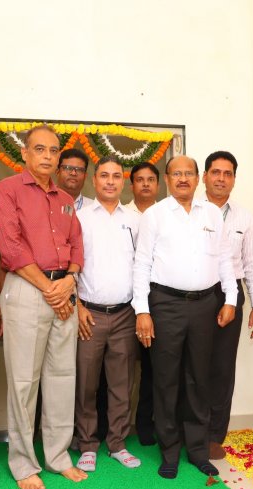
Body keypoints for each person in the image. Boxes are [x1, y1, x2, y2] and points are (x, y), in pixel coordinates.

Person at [0, 124, 87, 489]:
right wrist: (51, 289)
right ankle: (23, 463)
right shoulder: (8, 190)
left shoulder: (65, 198)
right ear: (25, 154)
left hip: (64, 289)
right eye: (40, 149)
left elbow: (77, 244)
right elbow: (10, 248)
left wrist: (70, 280)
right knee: (23, 381)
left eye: (53, 150)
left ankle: (58, 457)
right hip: (29, 289)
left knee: (63, 378)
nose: (48, 156)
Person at [132, 155, 237, 479]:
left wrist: (231, 299)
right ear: (167, 178)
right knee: (166, 379)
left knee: (198, 379)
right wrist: (143, 311)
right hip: (166, 304)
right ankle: (169, 453)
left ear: (197, 178)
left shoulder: (212, 214)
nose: (182, 179)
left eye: (188, 173)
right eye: (176, 173)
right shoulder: (155, 215)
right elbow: (142, 265)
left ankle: (197, 450)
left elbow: (224, 260)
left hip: (206, 304)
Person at [74, 156, 142, 472]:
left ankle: (117, 443)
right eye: (104, 176)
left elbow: (143, 266)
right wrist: (76, 306)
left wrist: (141, 309)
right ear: (94, 180)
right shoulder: (80, 217)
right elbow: (69, 267)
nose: (110, 181)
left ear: (123, 181)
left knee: (121, 383)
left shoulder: (135, 219)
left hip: (125, 314)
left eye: (117, 176)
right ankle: (87, 444)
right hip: (90, 314)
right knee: (86, 384)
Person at [202, 151, 253, 459]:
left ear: (234, 180)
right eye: (216, 172)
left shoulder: (244, 218)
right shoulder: (191, 212)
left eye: (228, 173)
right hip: (195, 294)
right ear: (205, 177)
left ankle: (215, 435)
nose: (221, 178)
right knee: (192, 365)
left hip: (232, 296)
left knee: (222, 367)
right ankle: (190, 431)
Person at [123, 161, 161, 445]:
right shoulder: (121, 214)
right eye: (140, 179)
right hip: (123, 302)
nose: (146, 184)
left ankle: (148, 428)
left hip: (158, 303)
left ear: (158, 184)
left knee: (154, 367)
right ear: (131, 184)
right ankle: (111, 431)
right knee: (118, 369)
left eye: (151, 179)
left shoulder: (168, 214)